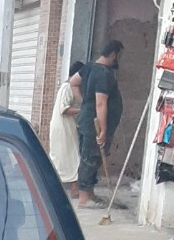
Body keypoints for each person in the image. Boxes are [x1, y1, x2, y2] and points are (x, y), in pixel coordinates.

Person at [76, 40, 124, 208]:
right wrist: (102, 130)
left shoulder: (89, 67)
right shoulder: (103, 74)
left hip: (86, 119)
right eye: (119, 55)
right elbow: (101, 103)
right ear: (113, 54)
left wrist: (83, 103)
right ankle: (83, 198)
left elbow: (73, 82)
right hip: (93, 124)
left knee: (94, 159)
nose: (118, 59)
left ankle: (90, 193)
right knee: (89, 158)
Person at [49, 60, 84, 198]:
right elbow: (64, 109)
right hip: (63, 128)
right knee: (70, 157)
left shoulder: (69, 87)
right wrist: (82, 111)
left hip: (66, 127)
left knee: (68, 157)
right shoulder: (67, 87)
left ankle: (72, 188)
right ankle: (73, 189)